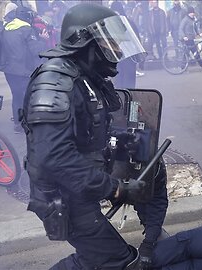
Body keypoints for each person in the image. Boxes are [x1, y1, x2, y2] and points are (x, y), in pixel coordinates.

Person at [20, 4, 168, 269]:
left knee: (153, 167)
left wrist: (122, 141)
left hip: (87, 173)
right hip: (64, 194)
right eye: (107, 43)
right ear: (84, 43)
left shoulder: (87, 76)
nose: (114, 51)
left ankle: (153, 237)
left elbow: (91, 127)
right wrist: (117, 188)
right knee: (118, 262)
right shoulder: (55, 81)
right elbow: (54, 158)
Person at [0, 6, 48, 133]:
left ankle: (17, 123)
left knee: (17, 95)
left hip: (9, 70)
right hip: (23, 70)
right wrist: (43, 40)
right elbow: (36, 50)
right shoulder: (26, 29)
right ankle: (28, 122)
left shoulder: (6, 28)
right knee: (28, 96)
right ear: (27, 16)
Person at [179, 6, 202, 71]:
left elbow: (195, 27)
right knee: (193, 52)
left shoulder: (193, 19)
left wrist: (199, 33)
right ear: (188, 13)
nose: (193, 14)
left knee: (190, 52)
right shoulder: (185, 19)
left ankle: (182, 67)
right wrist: (184, 36)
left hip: (191, 38)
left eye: (193, 12)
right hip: (187, 39)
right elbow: (180, 29)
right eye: (191, 13)